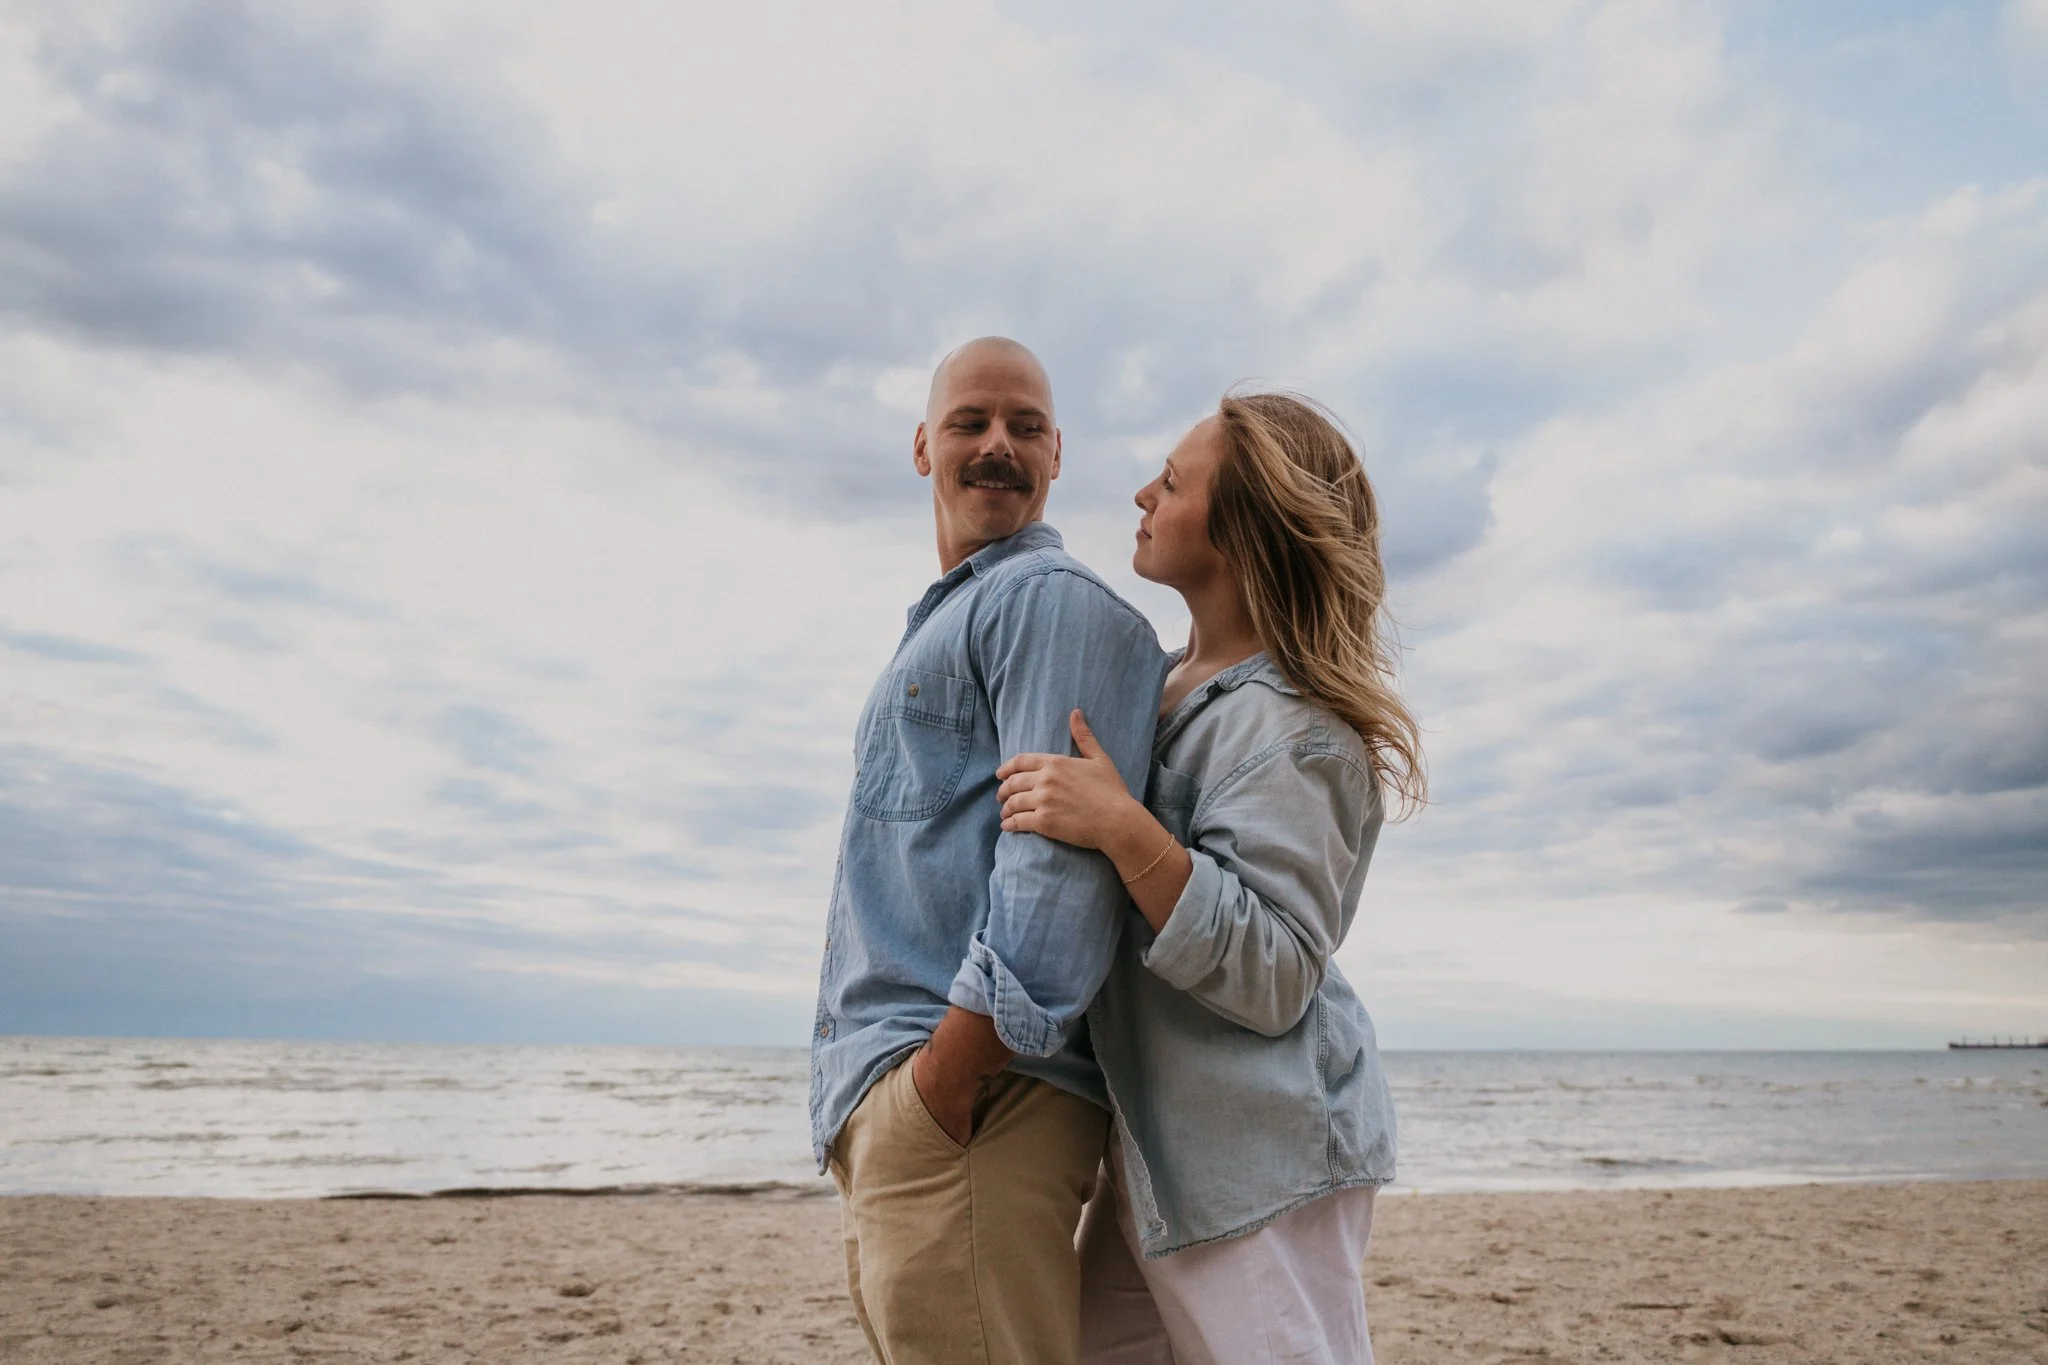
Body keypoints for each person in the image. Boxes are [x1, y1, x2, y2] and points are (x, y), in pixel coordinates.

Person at [994, 390, 1423, 1365]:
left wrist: (1121, 826)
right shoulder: (1159, 688)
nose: (1142, 492)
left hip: (1262, 1151)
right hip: (1161, 1152)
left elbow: (1274, 972)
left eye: (1174, 482)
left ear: (1237, 529)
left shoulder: (1296, 730)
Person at [811, 337, 1170, 1365]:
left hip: (975, 1111)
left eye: (1023, 425)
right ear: (923, 446)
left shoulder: (1045, 601)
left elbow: (1056, 879)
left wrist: (944, 1083)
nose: (997, 445)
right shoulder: (956, 614)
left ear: (1058, 452)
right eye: (971, 422)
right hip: (924, 1112)